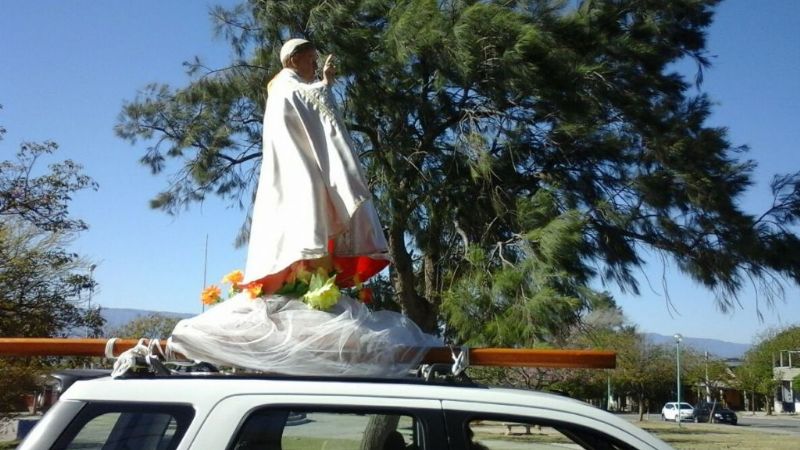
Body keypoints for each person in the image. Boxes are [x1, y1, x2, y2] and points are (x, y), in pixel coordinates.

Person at [242, 38, 390, 295]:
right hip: (297, 166)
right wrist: (325, 85)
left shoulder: (286, 87)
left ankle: (314, 280)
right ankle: (306, 277)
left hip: (297, 163)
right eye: (310, 60)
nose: (314, 65)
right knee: (310, 214)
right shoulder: (286, 84)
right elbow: (311, 100)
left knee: (314, 215)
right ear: (293, 59)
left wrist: (322, 83)